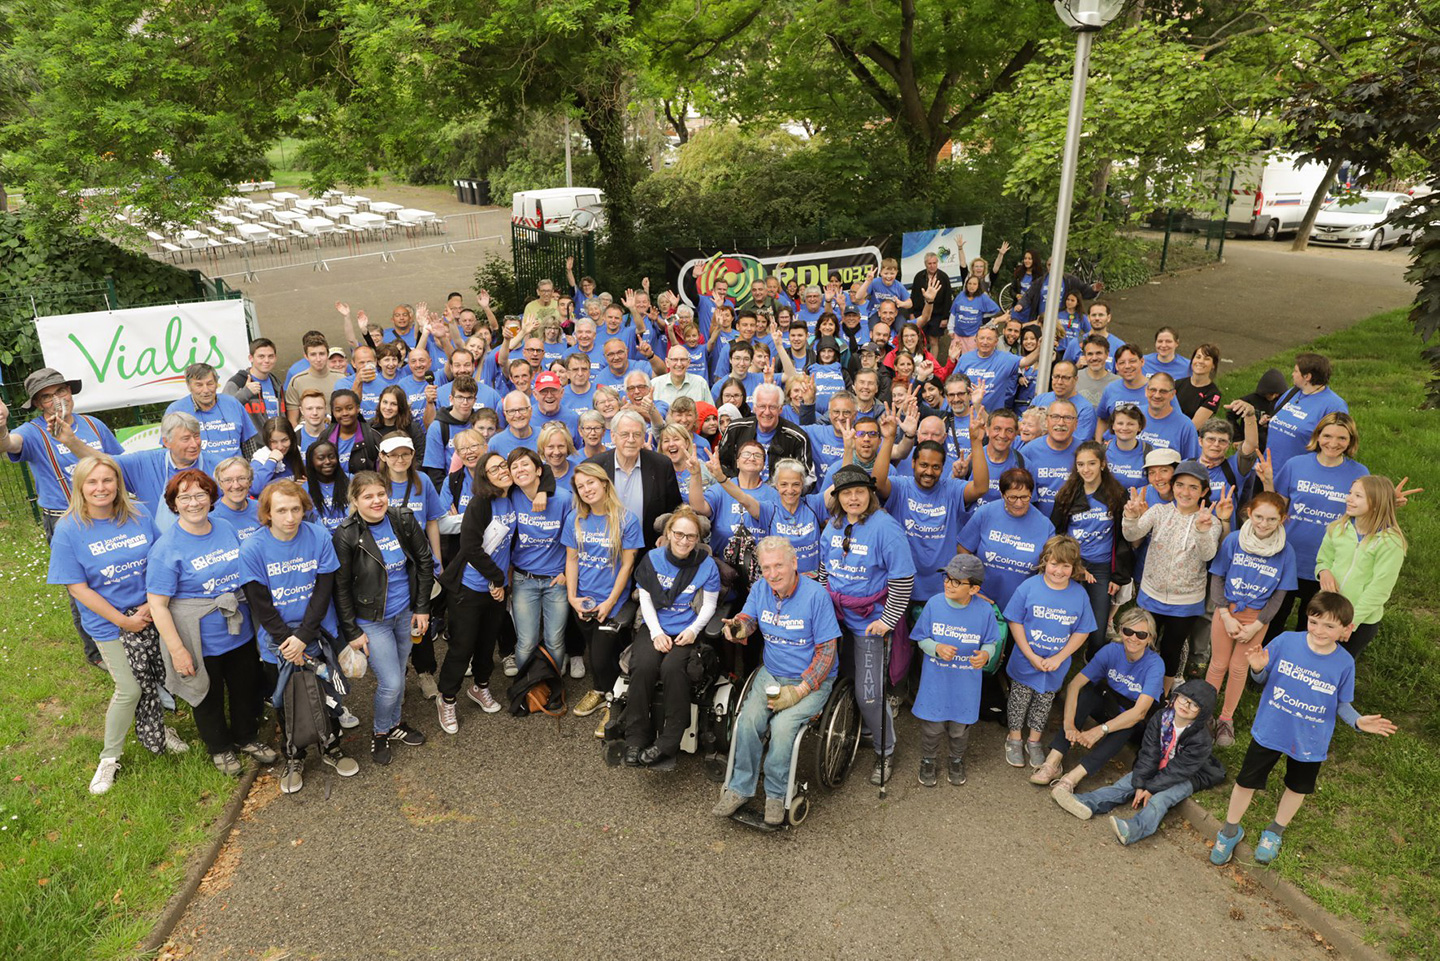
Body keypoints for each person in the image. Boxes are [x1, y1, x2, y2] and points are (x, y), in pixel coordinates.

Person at [1210, 592, 1397, 867]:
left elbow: (1341, 703)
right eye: (1313, 622)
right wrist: (1258, 670)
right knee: (1245, 782)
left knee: (1297, 787)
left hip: (1310, 740)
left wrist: (1357, 721)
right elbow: (1261, 676)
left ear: (1346, 629)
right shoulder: (1286, 641)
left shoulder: (1344, 663)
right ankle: (1229, 830)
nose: (1319, 631)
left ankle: (1275, 831)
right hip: (1271, 729)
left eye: (1329, 626)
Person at [47, 456, 184, 794]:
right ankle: (109, 758)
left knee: (157, 676)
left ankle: (157, 727)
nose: (101, 488)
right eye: (92, 482)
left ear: (118, 484)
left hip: (151, 611)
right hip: (110, 623)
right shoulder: (69, 529)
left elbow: (159, 556)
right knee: (130, 688)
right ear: (80, 486)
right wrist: (124, 620)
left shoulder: (137, 514)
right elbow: (77, 588)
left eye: (107, 480)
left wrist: (151, 605)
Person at [145, 469, 277, 775]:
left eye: (201, 495)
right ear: (174, 504)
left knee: (246, 688)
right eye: (185, 497)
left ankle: (246, 737)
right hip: (198, 637)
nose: (194, 503)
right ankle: (219, 747)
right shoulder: (166, 548)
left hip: (238, 629)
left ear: (211, 498)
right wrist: (178, 651)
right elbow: (158, 604)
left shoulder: (225, 527)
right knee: (207, 694)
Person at [238, 480, 360, 794]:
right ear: (267, 513)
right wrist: (286, 641)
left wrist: (304, 636)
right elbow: (259, 601)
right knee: (285, 700)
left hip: (315, 632)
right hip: (277, 640)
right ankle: (294, 754)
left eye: (295, 509)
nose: (290, 517)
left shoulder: (318, 535)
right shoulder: (253, 548)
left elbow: (323, 590)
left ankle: (331, 746)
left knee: (326, 695)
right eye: (281, 510)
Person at [1, 368, 125, 666]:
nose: (56, 400)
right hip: (64, 519)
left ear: (70, 392)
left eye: (60, 391)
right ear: (38, 404)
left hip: (107, 515)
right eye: (46, 396)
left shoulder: (94, 426)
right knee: (79, 585)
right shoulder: (32, 432)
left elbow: (120, 464)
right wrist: (2, 428)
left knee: (115, 574)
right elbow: (8, 446)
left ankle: (123, 631)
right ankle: (95, 652)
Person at [714, 537, 841, 825]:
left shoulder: (815, 596)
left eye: (779, 565)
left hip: (810, 679)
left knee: (783, 729)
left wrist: (800, 691)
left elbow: (827, 654)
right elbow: (749, 619)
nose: (773, 574)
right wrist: (737, 627)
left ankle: (776, 794)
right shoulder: (761, 588)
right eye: (766, 567)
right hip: (771, 673)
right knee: (747, 722)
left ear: (794, 563)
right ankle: (739, 788)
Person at [820, 465, 915, 786]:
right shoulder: (832, 527)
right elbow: (824, 570)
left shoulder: (886, 528)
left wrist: (887, 620)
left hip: (869, 623)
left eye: (860, 491)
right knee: (837, 679)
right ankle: (852, 728)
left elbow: (903, 579)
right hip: (836, 618)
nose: (854, 498)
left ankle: (885, 749)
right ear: (838, 498)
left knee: (869, 693)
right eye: (847, 493)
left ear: (870, 494)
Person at [332, 470, 434, 765]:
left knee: (399, 676)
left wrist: (422, 607)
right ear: (354, 500)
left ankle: (395, 725)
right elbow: (340, 587)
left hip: (405, 614)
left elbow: (424, 561)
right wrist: (351, 630)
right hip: (371, 619)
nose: (376, 501)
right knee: (390, 682)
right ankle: (379, 733)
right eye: (368, 496)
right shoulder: (347, 533)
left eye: (381, 494)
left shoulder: (402, 518)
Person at [1052, 679, 1225, 846]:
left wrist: (1151, 788)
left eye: (1194, 705)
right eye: (1184, 699)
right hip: (1160, 763)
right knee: (1128, 783)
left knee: (1160, 799)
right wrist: (1141, 782)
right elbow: (1149, 752)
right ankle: (1086, 802)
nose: (1186, 705)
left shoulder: (1201, 739)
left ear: (1202, 712)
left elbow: (1179, 770)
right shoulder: (1161, 718)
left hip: (1187, 776)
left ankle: (1134, 829)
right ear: (1175, 696)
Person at [619, 507, 719, 766]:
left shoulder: (706, 564)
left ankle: (668, 741)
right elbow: (646, 600)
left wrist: (693, 630)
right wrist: (656, 633)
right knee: (642, 667)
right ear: (669, 533)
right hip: (655, 626)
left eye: (691, 536)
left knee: (674, 669)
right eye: (679, 534)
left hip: (687, 629)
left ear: (698, 539)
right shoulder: (652, 559)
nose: (684, 541)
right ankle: (636, 738)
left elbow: (709, 606)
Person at [1257, 412, 1369, 638]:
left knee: (1314, 623)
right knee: (1275, 617)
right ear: (1317, 436)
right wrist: (1268, 481)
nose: (1333, 443)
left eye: (1342, 438)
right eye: (1327, 436)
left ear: (1351, 441)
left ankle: (1301, 664)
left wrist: (1387, 504)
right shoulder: (1295, 465)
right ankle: (1265, 665)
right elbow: (1277, 510)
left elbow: (1364, 515)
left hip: (1329, 563)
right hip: (1287, 555)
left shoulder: (1359, 473)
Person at [1122, 460, 1229, 691]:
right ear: (1172, 487)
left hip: (1186, 601)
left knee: (1172, 648)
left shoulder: (1211, 521)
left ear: (1204, 492)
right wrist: (1130, 516)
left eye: (1193, 487)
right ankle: (1139, 687)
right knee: (1145, 642)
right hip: (1151, 594)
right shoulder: (1159, 511)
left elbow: (1207, 553)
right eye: (1180, 485)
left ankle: (1164, 692)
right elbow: (1132, 534)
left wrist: (1201, 530)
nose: (1185, 492)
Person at [1031, 607, 1164, 789]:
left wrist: (1100, 730)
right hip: (1109, 704)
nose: (1133, 638)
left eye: (1141, 634)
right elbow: (1074, 684)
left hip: (1131, 717)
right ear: (1120, 631)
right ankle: (1053, 762)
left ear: (1150, 638)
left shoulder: (1155, 665)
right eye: (1128, 631)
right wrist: (1069, 723)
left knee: (1126, 726)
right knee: (1088, 695)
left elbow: (1139, 713)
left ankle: (1073, 778)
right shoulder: (1111, 651)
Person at [1206, 491, 1297, 747]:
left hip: (1257, 617)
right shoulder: (1234, 540)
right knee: (1218, 664)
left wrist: (1257, 625)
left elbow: (1280, 595)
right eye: (1258, 516)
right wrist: (1225, 615)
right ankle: (1205, 715)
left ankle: (1226, 719)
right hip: (1228, 612)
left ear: (1282, 519)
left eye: (1271, 519)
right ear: (1249, 513)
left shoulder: (1285, 551)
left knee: (1238, 667)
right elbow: (1217, 577)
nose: (1263, 524)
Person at [1002, 535, 1097, 770]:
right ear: (1045, 561)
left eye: (1066, 566)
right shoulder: (1029, 587)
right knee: (1019, 699)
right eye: (1055, 564)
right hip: (1027, 659)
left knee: (1044, 702)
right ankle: (1014, 738)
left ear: (1074, 568)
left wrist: (1059, 658)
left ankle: (1034, 740)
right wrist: (1031, 655)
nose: (1059, 571)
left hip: (1056, 664)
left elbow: (1082, 631)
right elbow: (1015, 621)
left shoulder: (1079, 594)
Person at [435, 452, 517, 722]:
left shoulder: (515, 498)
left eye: (504, 465)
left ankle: (480, 687)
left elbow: (544, 474)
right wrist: (497, 579)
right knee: (462, 645)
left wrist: (501, 582)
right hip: (470, 587)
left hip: (497, 587)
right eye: (495, 469)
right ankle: (446, 698)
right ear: (485, 477)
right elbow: (470, 547)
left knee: (486, 644)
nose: (502, 471)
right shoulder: (481, 504)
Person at [910, 555, 1000, 787]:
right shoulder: (935, 604)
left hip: (966, 685)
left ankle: (956, 759)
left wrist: (986, 654)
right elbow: (921, 638)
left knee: (960, 729)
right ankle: (928, 760)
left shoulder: (985, 611)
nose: (949, 584)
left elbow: (991, 641)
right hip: (936, 683)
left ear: (974, 588)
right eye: (947, 578)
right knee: (932, 726)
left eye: (957, 582)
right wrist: (936, 648)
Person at [1049, 442, 1131, 655]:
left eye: (1092, 463)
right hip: (1072, 565)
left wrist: (1118, 576)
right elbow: (1056, 534)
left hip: (1102, 567)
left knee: (1098, 630)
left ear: (1102, 464)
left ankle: (1092, 662)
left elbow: (1124, 539)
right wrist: (1073, 566)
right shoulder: (1067, 495)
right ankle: (1059, 659)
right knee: (1063, 620)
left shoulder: (1117, 494)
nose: (1086, 469)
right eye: (1081, 464)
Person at [1315, 475, 1407, 659]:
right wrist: (1323, 572)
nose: (1349, 498)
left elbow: (1379, 589)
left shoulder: (1390, 542)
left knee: (1337, 667)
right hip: (1327, 610)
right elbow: (1323, 560)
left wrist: (1351, 623)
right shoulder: (1337, 528)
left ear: (1375, 503)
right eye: (1350, 493)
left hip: (1359, 621)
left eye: (1358, 495)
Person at [506, 447, 573, 675]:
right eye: (514, 466)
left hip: (557, 580)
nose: (520, 470)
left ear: (538, 470)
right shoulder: (511, 496)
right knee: (526, 641)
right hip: (525, 579)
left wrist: (566, 573)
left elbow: (574, 541)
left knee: (555, 639)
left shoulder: (563, 499)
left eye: (525, 465)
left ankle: (552, 687)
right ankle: (526, 688)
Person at [957, 467, 1053, 611]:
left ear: (1031, 495)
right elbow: (963, 549)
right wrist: (970, 588)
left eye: (1024, 497)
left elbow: (1051, 569)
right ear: (1002, 494)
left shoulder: (1045, 526)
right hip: (982, 602)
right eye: (1012, 497)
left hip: (1023, 606)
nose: (1019, 503)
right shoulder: (986, 513)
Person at [586, 410, 681, 548]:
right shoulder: (594, 467)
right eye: (624, 434)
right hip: (602, 551)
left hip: (648, 548)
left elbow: (674, 509)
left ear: (643, 438)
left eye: (637, 434)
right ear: (613, 436)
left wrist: (666, 535)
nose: (631, 440)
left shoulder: (661, 465)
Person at [1265, 353, 1348, 474]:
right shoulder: (1292, 393)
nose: (1292, 374)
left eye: (1295, 371)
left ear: (1307, 376)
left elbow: (1334, 446)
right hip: (1267, 470)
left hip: (1298, 475)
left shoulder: (1334, 406)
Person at [165, 363, 257, 459]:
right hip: (198, 472)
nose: (206, 390)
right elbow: (168, 452)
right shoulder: (176, 410)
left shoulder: (233, 404)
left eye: (210, 384)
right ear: (189, 386)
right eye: (199, 385)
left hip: (235, 471)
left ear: (217, 383)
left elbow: (249, 446)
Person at [1017, 398, 1081, 515]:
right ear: (1046, 421)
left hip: (1072, 526)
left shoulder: (1084, 452)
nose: (1061, 423)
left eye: (1067, 418)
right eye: (1055, 416)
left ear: (1076, 424)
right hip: (1036, 523)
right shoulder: (1028, 451)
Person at [223, 337, 286, 429]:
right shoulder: (238, 382)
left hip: (275, 440)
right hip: (252, 442)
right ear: (251, 358)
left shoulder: (277, 383)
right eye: (261, 356)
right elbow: (224, 410)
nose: (267, 360)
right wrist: (245, 393)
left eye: (270, 356)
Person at [327, 389, 383, 474]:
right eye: (338, 410)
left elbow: (382, 473)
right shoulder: (325, 438)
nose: (344, 413)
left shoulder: (373, 438)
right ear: (333, 412)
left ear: (358, 408)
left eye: (349, 408)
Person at [249, 416, 305, 496]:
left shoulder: (299, 452)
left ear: (291, 438)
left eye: (284, 440)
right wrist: (272, 461)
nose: (280, 447)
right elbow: (254, 489)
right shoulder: (261, 458)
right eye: (274, 442)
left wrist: (307, 485)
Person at [211, 457, 263, 541]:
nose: (236, 486)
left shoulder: (262, 508)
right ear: (220, 484)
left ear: (250, 481)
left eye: (241, 478)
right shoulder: (212, 518)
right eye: (228, 480)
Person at [373, 385, 428, 460]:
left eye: (393, 404)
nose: (388, 407)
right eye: (385, 402)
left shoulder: (412, 428)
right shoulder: (370, 427)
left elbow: (420, 459)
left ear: (401, 406)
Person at [1176, 343, 1223, 428]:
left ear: (1213, 365)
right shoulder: (1178, 384)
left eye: (1207, 359)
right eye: (1198, 357)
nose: (1201, 361)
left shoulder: (1213, 394)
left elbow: (1193, 427)